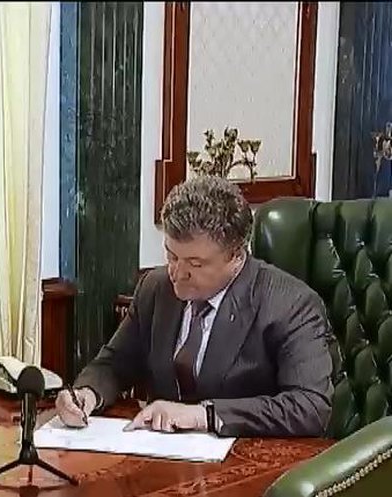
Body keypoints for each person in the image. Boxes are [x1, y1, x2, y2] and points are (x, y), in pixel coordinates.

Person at [55, 175, 334, 437]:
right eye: (171, 256)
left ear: (236, 256)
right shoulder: (155, 288)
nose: (177, 273)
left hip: (249, 460)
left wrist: (205, 416)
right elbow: (116, 363)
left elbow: (310, 407)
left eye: (195, 263)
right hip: (162, 456)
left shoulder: (290, 304)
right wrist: (87, 394)